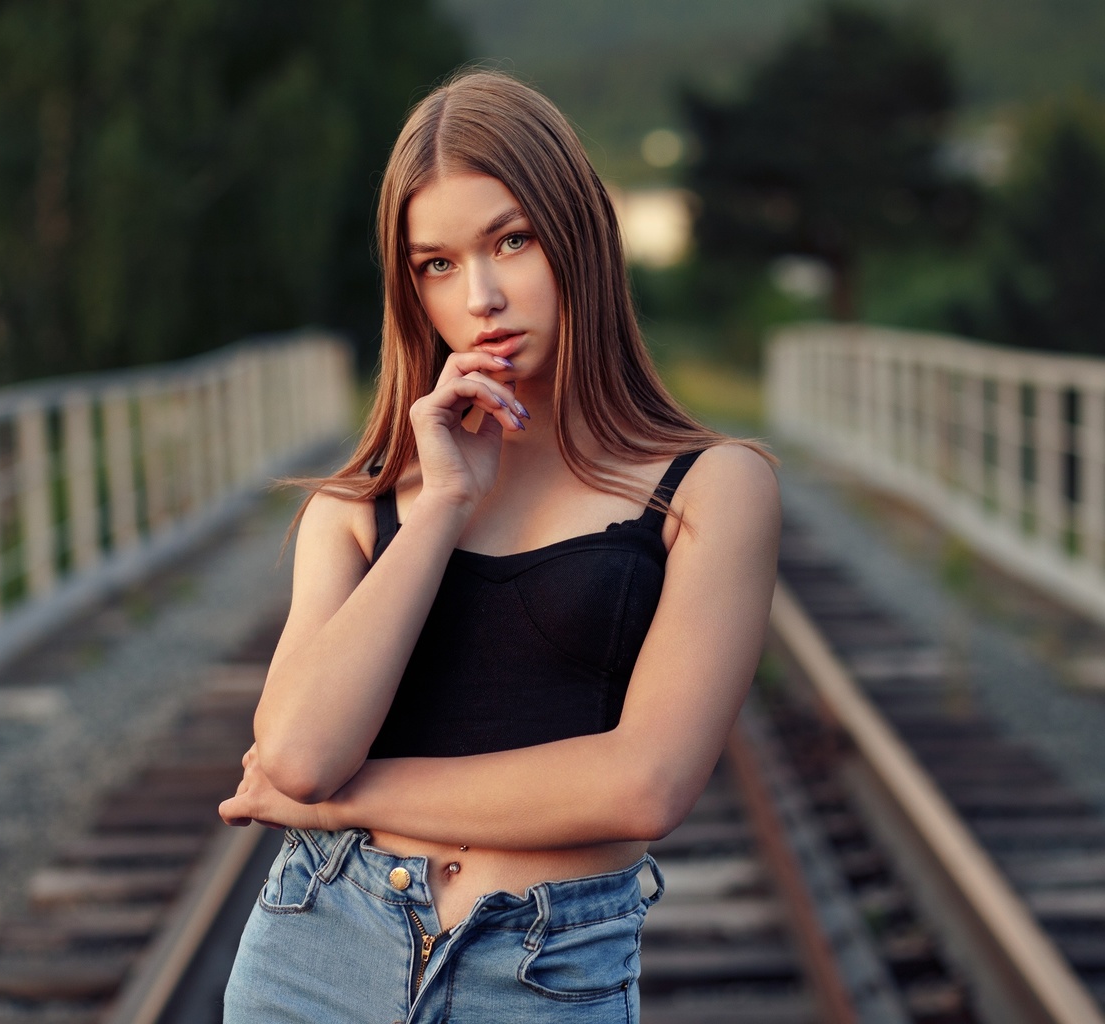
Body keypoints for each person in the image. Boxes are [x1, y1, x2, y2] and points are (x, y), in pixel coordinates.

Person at [218, 69, 780, 1023]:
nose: (481, 296)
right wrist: (442, 507)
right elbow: (301, 755)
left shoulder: (712, 489)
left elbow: (644, 786)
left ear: (580, 237)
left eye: (510, 240)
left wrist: (344, 808)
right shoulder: (360, 509)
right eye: (437, 264)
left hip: (540, 976)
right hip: (315, 956)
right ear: (413, 291)